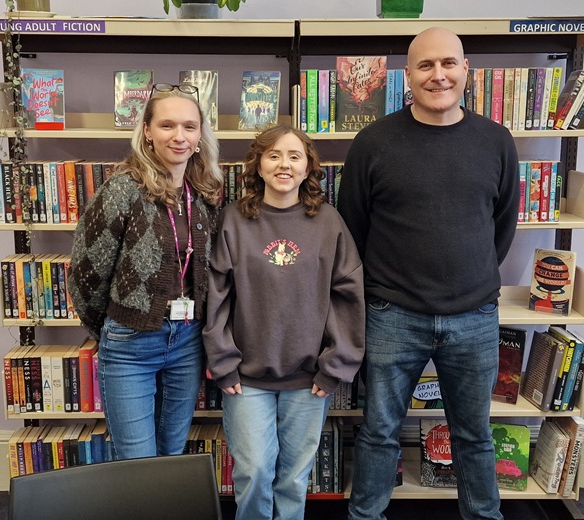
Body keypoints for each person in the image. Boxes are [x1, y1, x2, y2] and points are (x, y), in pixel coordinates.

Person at [338, 27, 520, 520]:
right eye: (425, 66)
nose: (438, 75)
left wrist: (472, 276)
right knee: (378, 431)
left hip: (474, 316)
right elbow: (351, 229)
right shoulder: (373, 143)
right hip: (393, 315)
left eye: (448, 63)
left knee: (475, 436)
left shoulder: (496, 141)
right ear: (407, 76)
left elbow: (502, 226)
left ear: (466, 70)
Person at [203, 124, 365, 520]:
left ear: (308, 166)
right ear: (257, 164)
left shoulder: (329, 223)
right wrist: (222, 363)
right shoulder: (233, 221)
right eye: (273, 155)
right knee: (255, 471)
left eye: (294, 156)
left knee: (293, 479)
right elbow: (216, 296)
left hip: (308, 379)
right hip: (246, 377)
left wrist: (335, 367)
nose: (284, 165)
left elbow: (348, 297)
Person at [68, 83, 223, 459]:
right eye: (167, 125)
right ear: (148, 133)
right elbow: (86, 274)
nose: (179, 136)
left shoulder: (205, 193)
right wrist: (114, 326)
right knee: (137, 460)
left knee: (172, 454)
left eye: (189, 126)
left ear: (200, 134)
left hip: (188, 342)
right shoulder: (122, 190)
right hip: (130, 345)